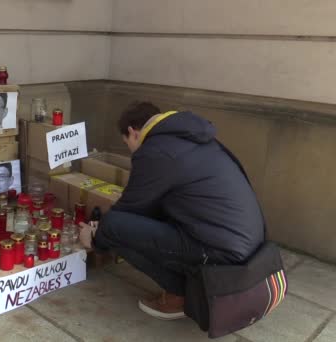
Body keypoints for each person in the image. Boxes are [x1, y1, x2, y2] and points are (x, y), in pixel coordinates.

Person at [79, 102, 265, 321]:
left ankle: (180, 294)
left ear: (132, 132)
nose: (130, 149)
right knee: (133, 225)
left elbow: (128, 211)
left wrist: (94, 239)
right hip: (245, 246)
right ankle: (186, 285)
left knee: (113, 228)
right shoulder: (193, 139)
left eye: (126, 142)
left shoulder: (155, 149)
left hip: (221, 255)